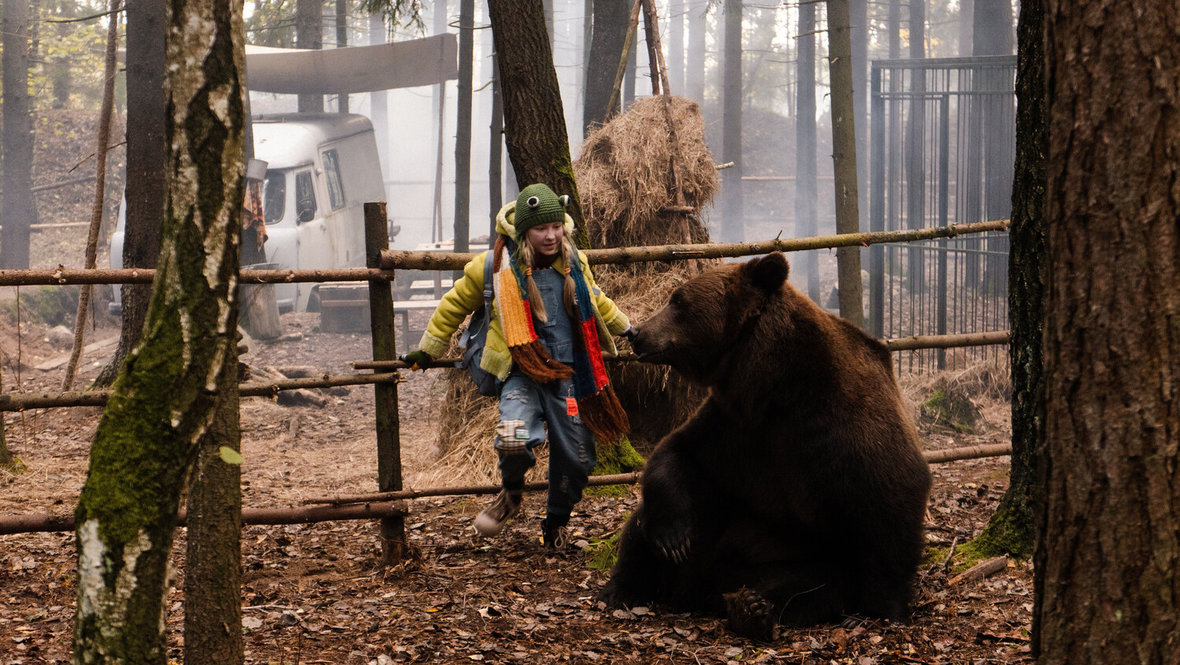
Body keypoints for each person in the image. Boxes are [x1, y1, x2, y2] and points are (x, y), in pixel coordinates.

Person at [402, 183, 634, 548]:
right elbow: (452, 306)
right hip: (520, 377)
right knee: (512, 435)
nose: (551, 235)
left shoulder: (574, 262)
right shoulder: (493, 265)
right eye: (542, 228)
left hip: (569, 379)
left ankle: (556, 521)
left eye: (556, 226)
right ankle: (511, 493)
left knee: (578, 457)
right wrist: (426, 350)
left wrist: (631, 331)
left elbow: (598, 301)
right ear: (525, 230)